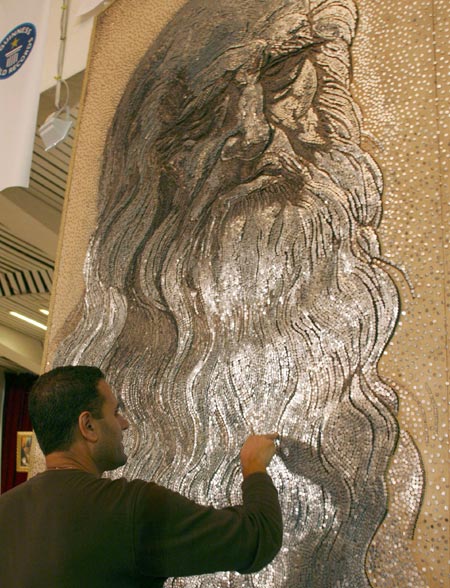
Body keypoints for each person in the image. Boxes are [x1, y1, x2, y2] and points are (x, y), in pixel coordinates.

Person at [0, 365, 282, 588]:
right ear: (88, 425)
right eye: (115, 412)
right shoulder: (130, 508)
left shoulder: (5, 509)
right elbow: (256, 539)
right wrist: (254, 466)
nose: (123, 424)